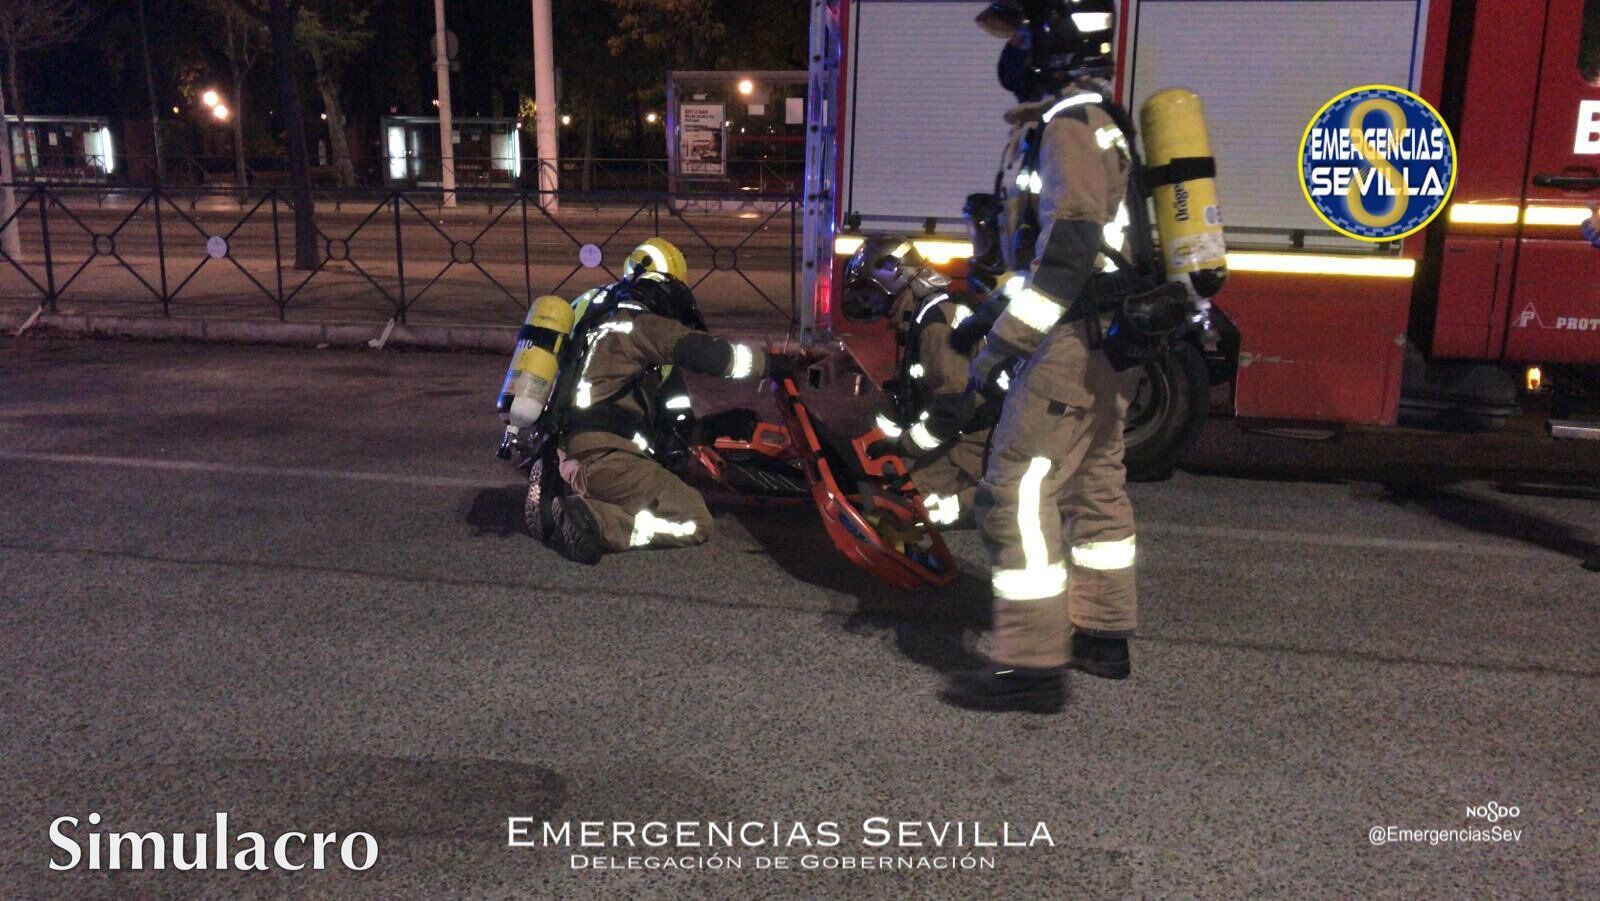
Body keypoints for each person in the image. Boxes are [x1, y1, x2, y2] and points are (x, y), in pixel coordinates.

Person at [942, 0, 1140, 713]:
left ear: (1052, 41)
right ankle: (1102, 634)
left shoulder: (1067, 130)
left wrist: (1002, 345)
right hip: (1112, 342)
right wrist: (987, 316)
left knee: (1017, 490)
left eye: (1023, 33)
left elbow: (1070, 251)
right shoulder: (1103, 120)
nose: (1014, 50)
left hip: (1070, 341)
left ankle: (1031, 667)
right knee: (1093, 483)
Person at [535, 243, 797, 564]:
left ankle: (558, 483)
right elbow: (712, 356)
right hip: (607, 460)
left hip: (566, 449)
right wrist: (770, 365)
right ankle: (597, 520)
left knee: (630, 454)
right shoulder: (641, 326)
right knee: (694, 521)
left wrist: (717, 426)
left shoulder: (589, 325)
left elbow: (663, 426)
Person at [842, 235, 993, 528]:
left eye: (869, 291)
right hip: (970, 433)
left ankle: (996, 499)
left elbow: (953, 408)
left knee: (902, 509)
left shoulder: (934, 324)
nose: (866, 301)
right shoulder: (928, 312)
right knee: (892, 499)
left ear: (895, 275)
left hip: (979, 441)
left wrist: (905, 446)